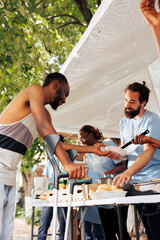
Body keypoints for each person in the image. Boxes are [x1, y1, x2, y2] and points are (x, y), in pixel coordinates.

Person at [0, 72, 108, 240]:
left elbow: (57, 143)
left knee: (6, 234)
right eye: (65, 93)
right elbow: (43, 127)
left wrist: (92, 149)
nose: (65, 100)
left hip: (10, 173)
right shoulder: (35, 90)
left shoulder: (45, 114)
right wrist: (68, 164)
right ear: (56, 84)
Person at [109, 81, 160, 240]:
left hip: (152, 179)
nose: (127, 105)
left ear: (143, 102)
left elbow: (149, 152)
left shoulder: (153, 120)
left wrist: (128, 172)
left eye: (132, 101)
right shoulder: (123, 122)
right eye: (125, 100)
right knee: (145, 224)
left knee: (154, 228)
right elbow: (127, 152)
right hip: (134, 181)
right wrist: (117, 155)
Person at [79, 125, 129, 240]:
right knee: (108, 232)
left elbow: (122, 166)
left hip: (116, 192)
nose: (81, 141)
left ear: (91, 134)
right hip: (101, 195)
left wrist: (113, 170)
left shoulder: (108, 145)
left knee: (120, 230)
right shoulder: (89, 152)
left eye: (82, 137)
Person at [38, 135, 67, 240]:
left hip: (63, 195)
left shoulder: (67, 160)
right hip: (50, 195)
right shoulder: (49, 162)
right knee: (43, 225)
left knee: (62, 227)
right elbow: (46, 179)